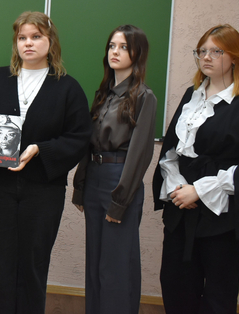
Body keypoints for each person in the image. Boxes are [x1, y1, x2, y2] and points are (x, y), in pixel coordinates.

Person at [0, 11, 91, 313]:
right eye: (22, 38)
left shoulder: (67, 87)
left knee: (33, 263)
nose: (28, 43)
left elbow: (79, 137)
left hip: (42, 191)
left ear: (51, 42)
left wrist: (39, 149)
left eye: (36, 37)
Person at [152, 24, 239, 313]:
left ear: (235, 57)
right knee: (176, 286)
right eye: (202, 51)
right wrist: (179, 187)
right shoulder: (191, 96)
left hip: (222, 215)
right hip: (181, 208)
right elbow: (171, 151)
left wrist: (199, 190)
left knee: (218, 295)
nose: (206, 57)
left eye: (216, 51)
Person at [71, 25, 157, 314]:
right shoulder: (104, 94)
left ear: (137, 53)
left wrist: (120, 200)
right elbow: (90, 144)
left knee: (116, 268)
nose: (115, 52)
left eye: (123, 47)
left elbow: (140, 155)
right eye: (111, 46)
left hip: (119, 182)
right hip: (95, 179)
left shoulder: (144, 96)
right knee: (95, 264)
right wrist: (80, 186)